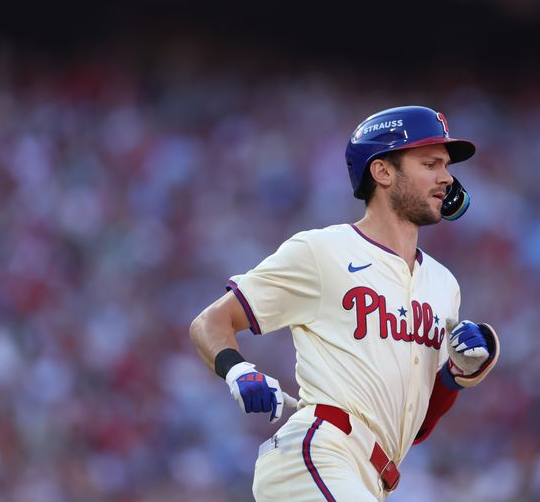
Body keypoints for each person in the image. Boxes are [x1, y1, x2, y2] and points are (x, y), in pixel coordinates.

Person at [190, 106, 500, 501]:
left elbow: (414, 426)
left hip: (373, 476)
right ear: (383, 172)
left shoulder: (444, 285)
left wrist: (454, 375)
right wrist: (238, 371)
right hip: (319, 453)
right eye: (430, 163)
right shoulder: (324, 250)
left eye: (446, 166)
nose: (447, 177)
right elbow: (211, 321)